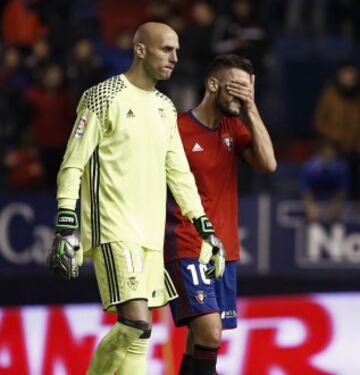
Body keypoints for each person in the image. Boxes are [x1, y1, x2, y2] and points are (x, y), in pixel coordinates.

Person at [46, 22, 225, 375]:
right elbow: (72, 164)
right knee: (136, 324)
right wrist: (67, 219)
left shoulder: (165, 107)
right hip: (113, 228)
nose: (175, 57)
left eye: (177, 50)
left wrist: (205, 227)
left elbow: (179, 173)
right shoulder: (102, 96)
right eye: (166, 49)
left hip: (150, 235)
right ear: (140, 49)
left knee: (140, 336)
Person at [165, 54, 277, 375]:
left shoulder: (234, 127)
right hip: (186, 240)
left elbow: (268, 164)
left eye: (248, 90)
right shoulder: (177, 129)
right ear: (213, 85)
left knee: (200, 337)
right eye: (236, 88)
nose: (242, 96)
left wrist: (251, 108)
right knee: (210, 332)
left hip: (223, 248)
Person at [300, 138, 350, 223]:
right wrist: (310, 207)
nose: (328, 153)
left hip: (333, 202)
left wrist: (336, 205)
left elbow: (342, 189)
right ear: (321, 151)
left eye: (331, 150)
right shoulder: (310, 166)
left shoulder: (341, 167)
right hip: (316, 201)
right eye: (326, 150)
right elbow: (305, 189)